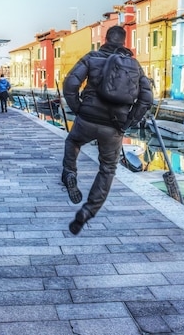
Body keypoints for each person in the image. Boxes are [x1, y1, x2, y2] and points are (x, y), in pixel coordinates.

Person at [62, 25, 153, 235]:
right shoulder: (134, 66)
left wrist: (78, 108)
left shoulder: (92, 57)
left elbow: (70, 84)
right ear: (124, 41)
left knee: (73, 142)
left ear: (105, 39)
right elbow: (147, 98)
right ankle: (87, 212)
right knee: (108, 169)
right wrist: (129, 121)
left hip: (87, 117)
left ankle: (69, 173)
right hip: (114, 126)